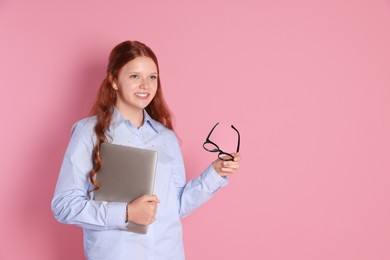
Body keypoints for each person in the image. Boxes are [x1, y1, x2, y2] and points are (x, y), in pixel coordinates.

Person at [51, 40, 241, 260]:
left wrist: (216, 173)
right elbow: (64, 206)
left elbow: (175, 208)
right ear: (114, 80)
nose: (145, 85)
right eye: (135, 76)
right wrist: (126, 213)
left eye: (152, 77)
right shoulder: (88, 132)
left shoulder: (166, 138)